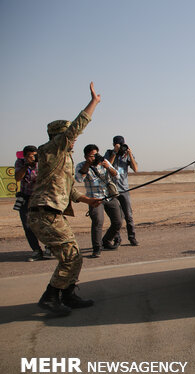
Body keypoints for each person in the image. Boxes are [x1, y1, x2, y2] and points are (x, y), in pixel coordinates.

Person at [27, 82, 102, 316]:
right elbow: (75, 129)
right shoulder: (51, 150)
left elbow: (67, 190)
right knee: (70, 256)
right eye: (69, 135)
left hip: (53, 213)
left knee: (74, 256)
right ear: (58, 136)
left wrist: (87, 201)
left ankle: (68, 294)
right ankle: (51, 297)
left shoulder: (64, 158)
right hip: (44, 213)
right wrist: (94, 103)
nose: (75, 139)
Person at [76, 144, 123, 258]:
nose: (95, 157)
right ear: (86, 156)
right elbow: (79, 179)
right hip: (95, 198)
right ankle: (96, 248)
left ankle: (106, 241)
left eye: (96, 154)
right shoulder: (81, 165)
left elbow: (117, 176)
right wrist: (88, 163)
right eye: (92, 156)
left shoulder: (104, 162)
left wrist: (108, 167)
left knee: (118, 222)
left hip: (109, 196)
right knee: (98, 222)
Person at [104, 135, 139, 246]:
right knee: (116, 217)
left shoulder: (126, 155)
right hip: (112, 190)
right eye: (118, 145)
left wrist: (129, 154)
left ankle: (132, 237)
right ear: (114, 144)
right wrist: (114, 152)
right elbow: (107, 166)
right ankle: (116, 239)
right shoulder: (109, 153)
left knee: (128, 215)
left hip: (124, 189)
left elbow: (135, 169)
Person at [14, 145, 47, 261]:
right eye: (29, 156)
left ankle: (49, 248)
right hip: (26, 198)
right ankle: (36, 251)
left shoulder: (42, 162)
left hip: (40, 198)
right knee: (28, 226)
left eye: (34, 155)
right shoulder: (20, 162)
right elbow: (18, 178)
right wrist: (26, 165)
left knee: (44, 224)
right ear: (24, 156)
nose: (32, 158)